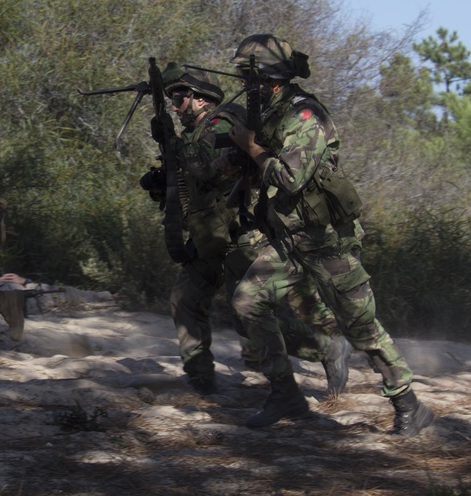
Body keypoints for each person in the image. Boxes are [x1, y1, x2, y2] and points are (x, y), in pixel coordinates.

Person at [226, 34, 434, 436]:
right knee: (247, 302)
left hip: (326, 242)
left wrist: (251, 147)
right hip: (288, 240)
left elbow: (289, 176)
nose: (244, 86)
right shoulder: (269, 115)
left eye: (250, 78)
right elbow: (257, 167)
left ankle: (408, 402)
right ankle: (286, 394)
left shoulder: (305, 116)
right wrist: (235, 155)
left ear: (271, 80)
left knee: (361, 328)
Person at [147, 63, 351, 398]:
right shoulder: (192, 134)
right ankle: (201, 379)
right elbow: (189, 184)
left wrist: (173, 145)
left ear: (199, 98)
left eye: (179, 96)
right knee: (184, 300)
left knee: (249, 315)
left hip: (238, 238)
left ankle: (326, 348)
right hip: (208, 239)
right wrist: (163, 176)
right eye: (171, 96)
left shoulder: (221, 123)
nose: (174, 103)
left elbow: (212, 170)